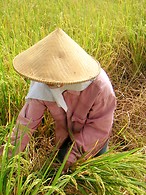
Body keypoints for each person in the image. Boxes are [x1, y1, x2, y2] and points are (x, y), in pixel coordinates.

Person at [0, 28, 116, 172]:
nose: (49, 83)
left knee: (90, 170)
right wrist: (6, 156)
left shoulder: (99, 87)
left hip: (94, 138)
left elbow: (98, 128)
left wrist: (70, 158)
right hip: (66, 133)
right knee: (56, 167)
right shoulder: (42, 80)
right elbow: (26, 123)